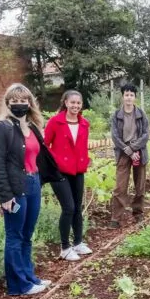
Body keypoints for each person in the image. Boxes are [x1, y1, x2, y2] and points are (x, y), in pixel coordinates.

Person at [0, 83, 61, 296]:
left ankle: (29, 276)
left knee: (27, 235)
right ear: (8, 103)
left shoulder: (31, 126)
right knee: (15, 236)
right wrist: (5, 195)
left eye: (23, 100)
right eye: (15, 101)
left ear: (29, 103)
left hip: (33, 183)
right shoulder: (2, 127)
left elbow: (37, 157)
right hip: (16, 188)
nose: (19, 104)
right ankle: (18, 284)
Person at [45, 89, 92, 261]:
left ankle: (78, 243)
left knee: (78, 207)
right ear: (65, 102)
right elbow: (45, 146)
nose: (75, 106)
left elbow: (82, 147)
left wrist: (86, 160)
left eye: (78, 103)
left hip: (78, 170)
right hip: (59, 172)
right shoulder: (55, 122)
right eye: (72, 102)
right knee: (68, 208)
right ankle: (65, 247)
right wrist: (54, 163)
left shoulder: (84, 124)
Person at [110, 83, 150, 228]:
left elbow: (146, 135)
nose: (129, 97)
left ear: (135, 97)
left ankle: (138, 213)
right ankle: (116, 217)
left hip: (139, 151)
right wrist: (128, 150)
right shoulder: (116, 115)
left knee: (140, 186)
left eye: (131, 95)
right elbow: (115, 136)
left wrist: (133, 148)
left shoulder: (141, 114)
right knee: (120, 187)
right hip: (123, 153)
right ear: (122, 97)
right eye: (126, 95)